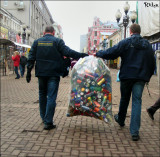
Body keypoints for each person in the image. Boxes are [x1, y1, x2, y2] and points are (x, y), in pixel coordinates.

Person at [95, 24, 155, 141]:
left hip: (127, 76)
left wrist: (98, 54)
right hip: (140, 78)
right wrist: (147, 76)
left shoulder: (126, 42)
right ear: (139, 31)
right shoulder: (147, 45)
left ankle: (121, 119)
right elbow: (152, 62)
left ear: (131, 31)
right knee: (137, 102)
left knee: (124, 99)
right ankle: (135, 132)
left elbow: (112, 52)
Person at [26, 26, 88, 130]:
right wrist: (82, 55)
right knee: (51, 97)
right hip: (53, 74)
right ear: (53, 32)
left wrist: (28, 72)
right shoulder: (57, 41)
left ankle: (43, 117)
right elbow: (68, 52)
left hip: (41, 73)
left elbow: (31, 57)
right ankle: (48, 122)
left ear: (44, 32)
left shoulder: (37, 42)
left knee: (42, 95)